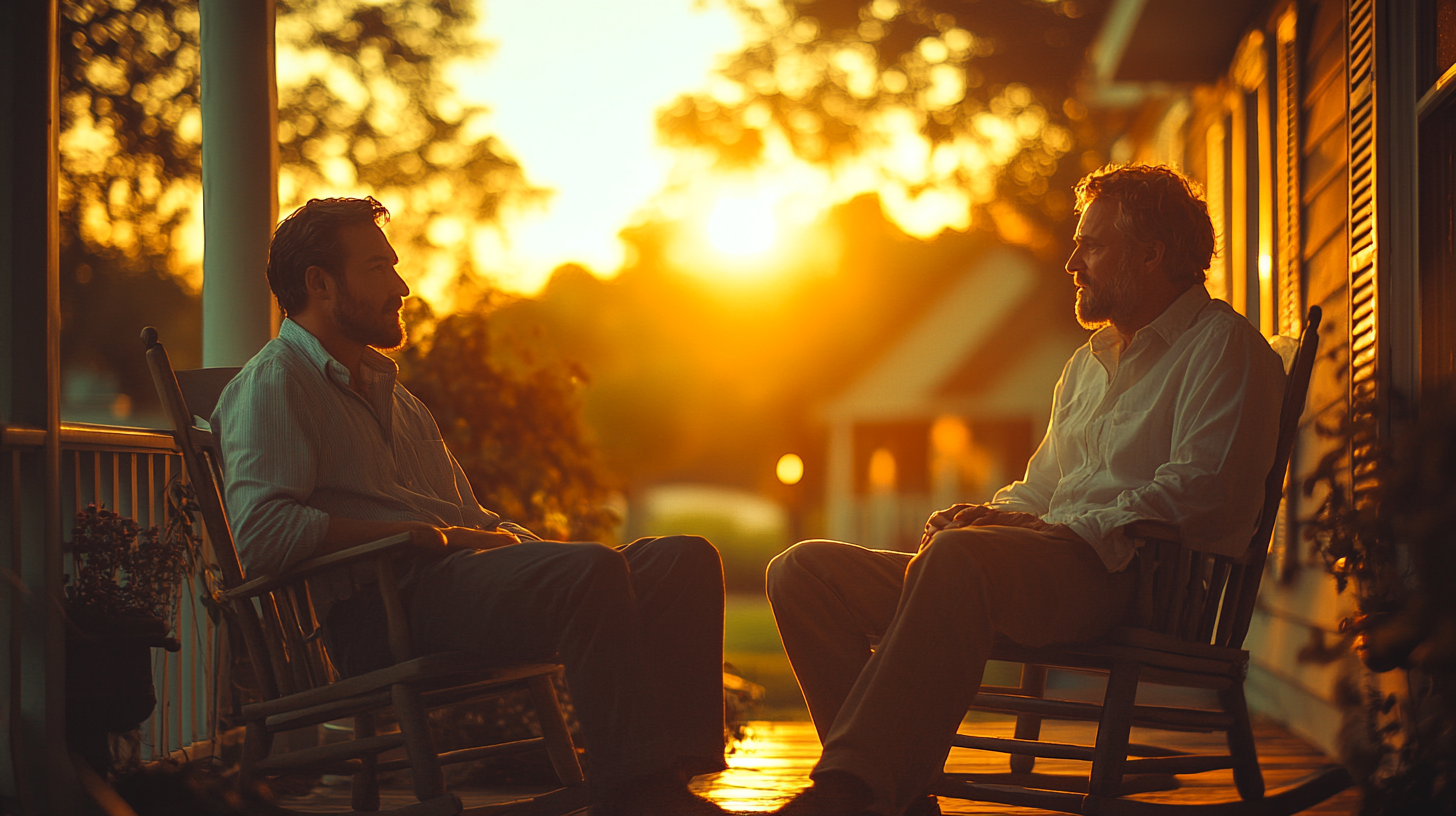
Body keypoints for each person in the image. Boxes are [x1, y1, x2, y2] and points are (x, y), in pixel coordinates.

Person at [766, 164, 1287, 816]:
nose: (1072, 261)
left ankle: (850, 791)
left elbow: (1205, 492)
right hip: (1042, 570)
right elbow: (1044, 486)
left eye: (1092, 244)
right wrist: (994, 516)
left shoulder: (1223, 348)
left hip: (1133, 579)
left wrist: (1058, 533)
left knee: (961, 561)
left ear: (1152, 253)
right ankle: (893, 793)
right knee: (803, 571)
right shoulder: (1087, 366)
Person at [213, 196, 733, 816]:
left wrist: (535, 552)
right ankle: (638, 795)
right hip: (382, 611)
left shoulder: (394, 397)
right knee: (591, 572)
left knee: (682, 561)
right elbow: (261, 534)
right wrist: (428, 536)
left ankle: (669, 776)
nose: (401, 286)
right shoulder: (274, 384)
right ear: (319, 284)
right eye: (378, 268)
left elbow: (473, 519)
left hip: (454, 586)